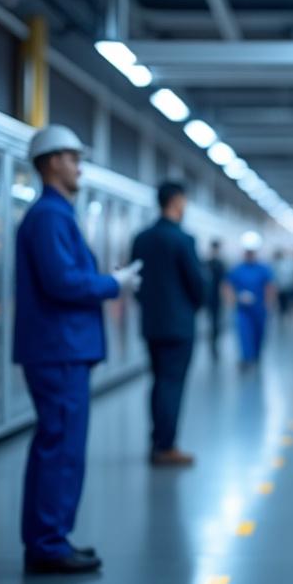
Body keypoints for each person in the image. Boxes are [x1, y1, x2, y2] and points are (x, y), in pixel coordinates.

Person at [14, 124, 142, 575]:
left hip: (61, 348)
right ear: (51, 162)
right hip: (59, 349)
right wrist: (114, 283)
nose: (78, 165)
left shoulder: (56, 214)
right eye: (71, 157)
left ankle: (49, 538)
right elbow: (61, 281)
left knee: (57, 444)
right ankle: (48, 544)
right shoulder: (50, 216)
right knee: (61, 447)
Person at [130, 181, 206, 467]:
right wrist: (194, 307)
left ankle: (156, 440)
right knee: (172, 384)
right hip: (179, 325)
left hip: (151, 323)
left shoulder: (141, 238)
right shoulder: (183, 239)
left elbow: (134, 280)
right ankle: (167, 446)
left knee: (158, 381)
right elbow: (197, 283)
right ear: (176, 201)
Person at [228, 236, 275, 368]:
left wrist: (269, 303)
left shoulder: (263, 268)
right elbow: (228, 285)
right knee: (244, 333)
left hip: (259, 308)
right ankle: (246, 358)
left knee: (258, 333)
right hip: (242, 309)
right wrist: (233, 300)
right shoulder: (238, 269)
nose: (249, 255)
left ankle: (256, 355)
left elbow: (270, 287)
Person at [205, 240, 227, 361]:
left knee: (215, 322)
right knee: (212, 321)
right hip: (209, 297)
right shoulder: (207, 263)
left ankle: (214, 343)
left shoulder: (220, 264)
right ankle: (212, 343)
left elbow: (224, 282)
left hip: (217, 298)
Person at [271, 249, 293, 318]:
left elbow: (292, 275)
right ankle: (282, 314)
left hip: (287, 287)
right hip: (280, 288)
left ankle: (286, 314)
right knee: (281, 303)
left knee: (287, 303)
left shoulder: (288, 263)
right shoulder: (276, 264)